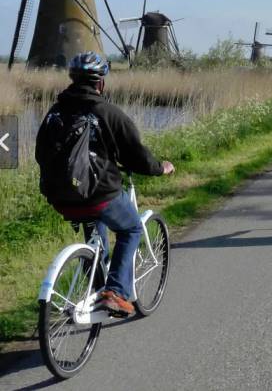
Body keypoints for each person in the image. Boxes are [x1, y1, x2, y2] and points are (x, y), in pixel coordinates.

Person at [36, 52, 175, 317]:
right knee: (132, 228)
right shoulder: (108, 112)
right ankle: (116, 293)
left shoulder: (54, 113)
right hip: (99, 196)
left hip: (61, 199)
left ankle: (94, 285)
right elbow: (137, 155)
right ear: (100, 83)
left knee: (96, 236)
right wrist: (161, 168)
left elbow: (40, 153)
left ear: (73, 79)